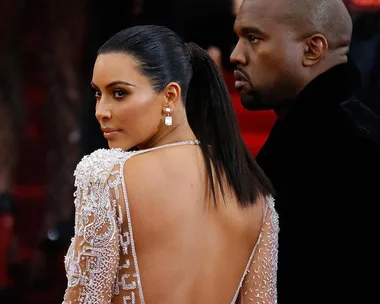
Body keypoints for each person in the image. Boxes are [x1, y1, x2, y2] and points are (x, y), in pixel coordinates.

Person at [62, 25, 279, 304]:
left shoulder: (107, 174)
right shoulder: (256, 195)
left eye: (119, 93)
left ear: (170, 96)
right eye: (97, 94)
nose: (101, 112)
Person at [230, 0, 380, 303]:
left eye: (254, 38)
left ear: (312, 50)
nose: (236, 55)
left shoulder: (354, 153)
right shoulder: (307, 131)